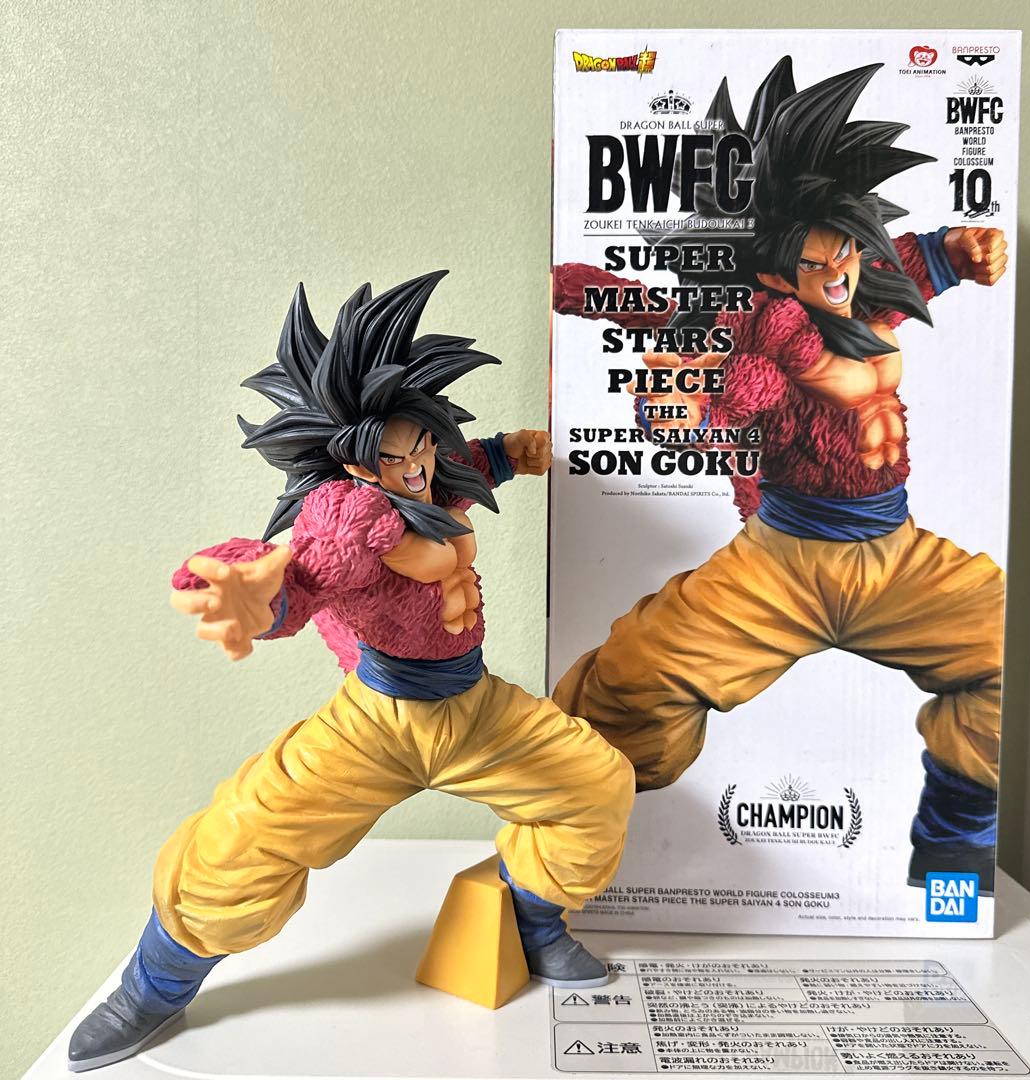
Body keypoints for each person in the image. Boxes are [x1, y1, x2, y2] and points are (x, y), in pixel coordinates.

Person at [68, 271, 635, 1072]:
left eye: (420, 447)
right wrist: (251, 592)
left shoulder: (437, 469)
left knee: (595, 786)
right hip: (376, 722)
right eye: (391, 459)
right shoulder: (348, 520)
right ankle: (151, 987)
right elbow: (297, 581)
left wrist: (513, 452)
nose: (414, 468)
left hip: (474, 707)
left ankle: (534, 922)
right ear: (355, 465)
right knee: (243, 836)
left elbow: (466, 461)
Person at [551, 60, 1006, 894]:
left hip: (897, 556)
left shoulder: (870, 284)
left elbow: (918, 257)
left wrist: (961, 249)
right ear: (769, 272)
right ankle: (571, 851)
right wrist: (674, 408)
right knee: (625, 685)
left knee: (1011, 656)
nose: (837, 276)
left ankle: (954, 853)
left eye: (846, 254)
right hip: (781, 563)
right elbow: (697, 386)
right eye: (813, 265)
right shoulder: (753, 326)